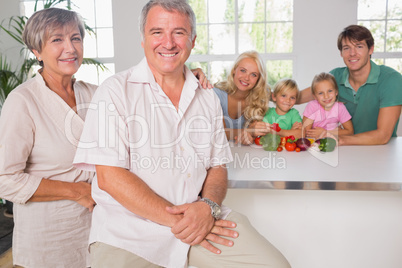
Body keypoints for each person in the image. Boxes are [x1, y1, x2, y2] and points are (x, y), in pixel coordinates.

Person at [73, 1, 290, 267]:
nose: (168, 42)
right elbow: (109, 178)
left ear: (192, 40)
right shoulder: (114, 91)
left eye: (178, 32)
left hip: (202, 216)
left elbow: (218, 166)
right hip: (129, 231)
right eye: (157, 32)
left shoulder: (206, 96)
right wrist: (184, 222)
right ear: (143, 39)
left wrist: (208, 206)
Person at [0, 8, 97, 267]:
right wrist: (76, 191)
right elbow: (5, 179)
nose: (70, 48)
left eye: (75, 38)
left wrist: (189, 75)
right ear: (37, 51)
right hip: (47, 238)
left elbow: (148, 93)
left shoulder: (96, 94)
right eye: (57, 40)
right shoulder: (23, 101)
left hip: (96, 230)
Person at [299, 24, 402, 145]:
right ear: (341, 53)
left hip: (380, 151)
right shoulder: (335, 76)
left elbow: (383, 136)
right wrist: (274, 95)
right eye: (346, 48)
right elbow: (301, 96)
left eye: (359, 46)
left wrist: (336, 137)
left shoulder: (391, 80)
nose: (352, 53)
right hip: (344, 150)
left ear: (371, 49)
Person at [213, 51, 271, 145]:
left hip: (246, 153)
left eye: (253, 74)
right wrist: (249, 131)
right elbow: (220, 133)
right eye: (243, 70)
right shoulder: (216, 95)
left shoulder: (261, 97)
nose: (246, 78)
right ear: (234, 70)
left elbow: (291, 96)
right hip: (219, 153)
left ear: (258, 79)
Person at [302, 72, 354, 139]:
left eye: (330, 91)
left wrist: (326, 132)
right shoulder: (312, 106)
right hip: (313, 142)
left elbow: (350, 131)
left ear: (336, 92)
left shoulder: (340, 107)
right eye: (321, 93)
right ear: (315, 96)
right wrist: (336, 132)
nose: (326, 96)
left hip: (332, 142)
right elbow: (306, 132)